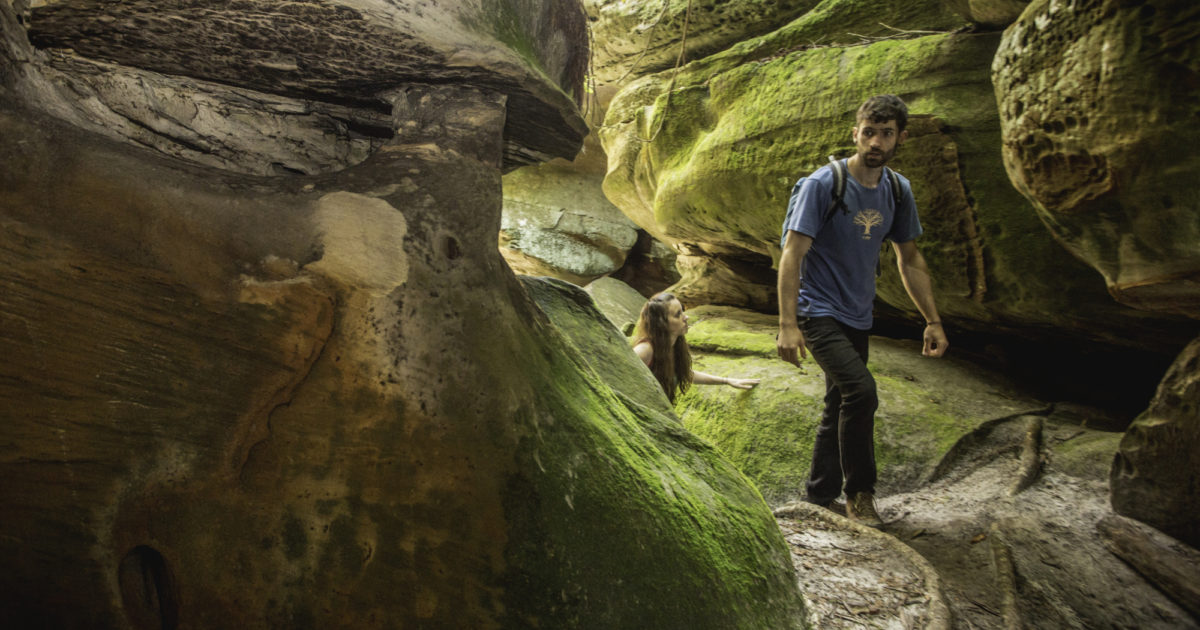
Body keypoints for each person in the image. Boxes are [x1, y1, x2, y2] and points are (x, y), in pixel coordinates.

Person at [776, 94, 948, 527]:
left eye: (886, 133)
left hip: (857, 312)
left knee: (839, 403)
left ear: (900, 138)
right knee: (861, 391)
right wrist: (787, 324)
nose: (875, 141)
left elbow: (909, 259)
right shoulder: (823, 185)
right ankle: (861, 493)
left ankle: (818, 497)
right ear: (855, 133)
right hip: (817, 309)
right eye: (868, 132)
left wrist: (933, 320)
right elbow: (792, 255)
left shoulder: (896, 189)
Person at [633, 292, 760, 402]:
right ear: (662, 323)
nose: (686, 317)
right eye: (678, 315)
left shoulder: (674, 345)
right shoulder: (645, 350)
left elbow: (683, 373)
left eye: (683, 311)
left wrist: (727, 381)